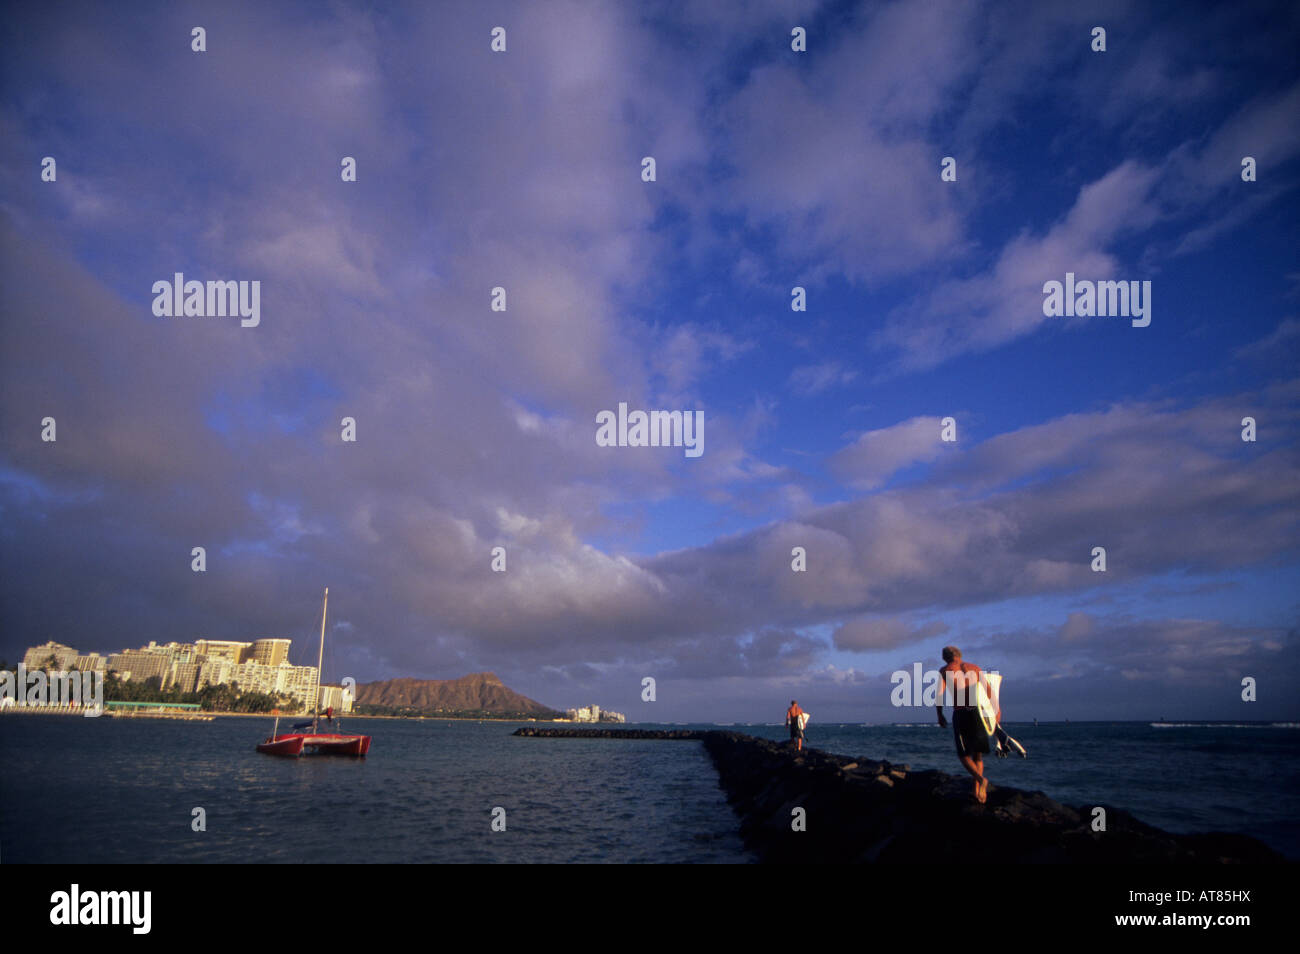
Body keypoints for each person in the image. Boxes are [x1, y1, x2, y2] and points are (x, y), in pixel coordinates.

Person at [935, 646, 997, 803]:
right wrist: (996, 711)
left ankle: (981, 780)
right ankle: (977, 792)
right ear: (959, 655)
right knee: (978, 754)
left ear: (945, 657)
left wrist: (940, 714)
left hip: (961, 712)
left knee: (963, 755)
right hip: (977, 712)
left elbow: (939, 695)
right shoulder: (974, 668)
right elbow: (989, 691)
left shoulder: (945, 670)